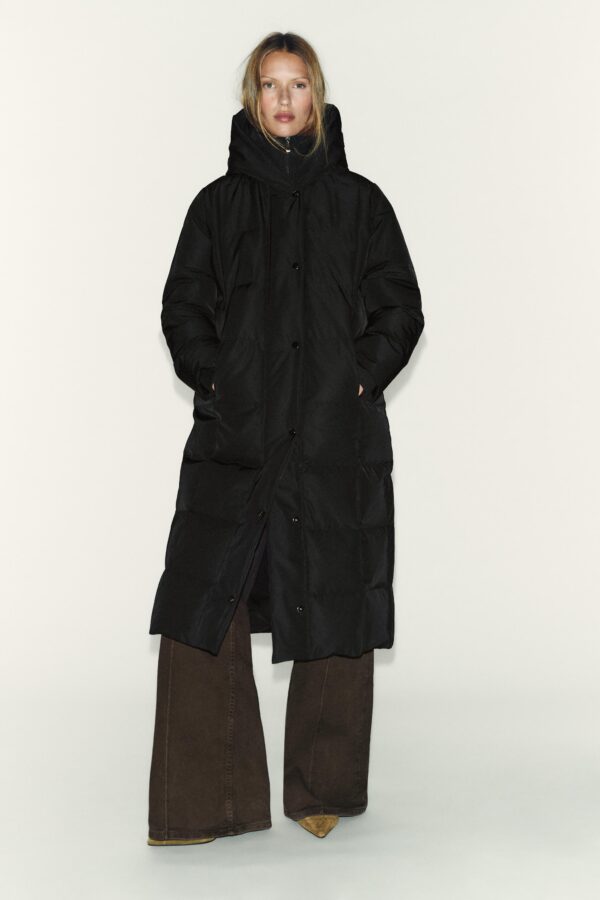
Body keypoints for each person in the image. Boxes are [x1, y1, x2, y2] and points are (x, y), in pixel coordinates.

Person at [147, 31, 424, 845]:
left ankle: (322, 788)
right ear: (252, 98)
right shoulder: (218, 206)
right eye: (269, 85)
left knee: (335, 594)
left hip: (334, 436)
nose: (283, 99)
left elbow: (401, 307)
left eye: (296, 84)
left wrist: (358, 378)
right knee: (206, 597)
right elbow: (182, 308)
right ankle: (209, 800)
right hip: (238, 435)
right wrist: (219, 378)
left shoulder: (361, 204)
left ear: (316, 95)